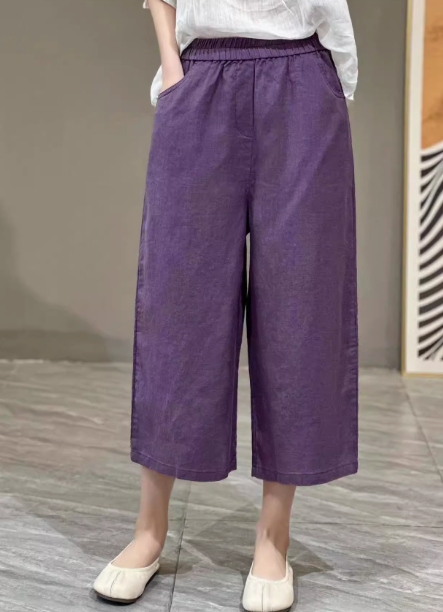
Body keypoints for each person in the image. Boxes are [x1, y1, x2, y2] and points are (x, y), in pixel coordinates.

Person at [94, 1, 359, 610]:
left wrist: (331, 88)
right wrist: (173, 69)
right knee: (177, 309)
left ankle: (273, 540)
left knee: (300, 308)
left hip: (302, 76)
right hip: (201, 75)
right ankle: (149, 531)